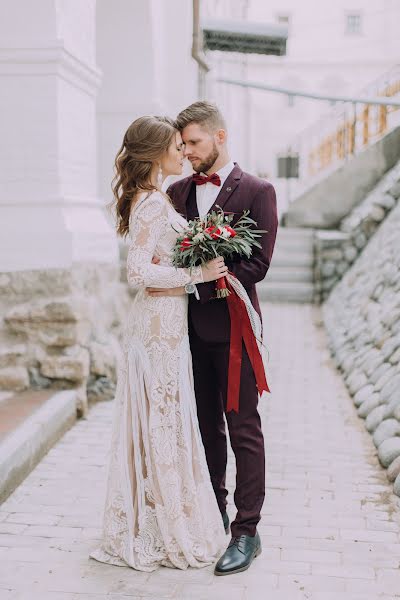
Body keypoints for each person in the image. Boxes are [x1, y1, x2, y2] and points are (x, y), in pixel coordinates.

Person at [90, 115, 227, 572]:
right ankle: (161, 524)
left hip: (167, 325)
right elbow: (139, 274)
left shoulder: (155, 199)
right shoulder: (150, 204)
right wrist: (197, 274)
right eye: (175, 146)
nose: (183, 152)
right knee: (162, 421)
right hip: (156, 329)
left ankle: (163, 514)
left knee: (164, 421)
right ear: (154, 154)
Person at [149, 101, 278, 575]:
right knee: (203, 425)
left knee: (243, 425)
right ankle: (213, 512)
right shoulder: (177, 191)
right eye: (181, 145)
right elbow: (167, 253)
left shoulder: (259, 190)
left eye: (194, 143)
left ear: (220, 137)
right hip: (184, 330)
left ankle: (247, 531)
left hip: (234, 329)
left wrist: (204, 280)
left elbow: (258, 263)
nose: (187, 152)